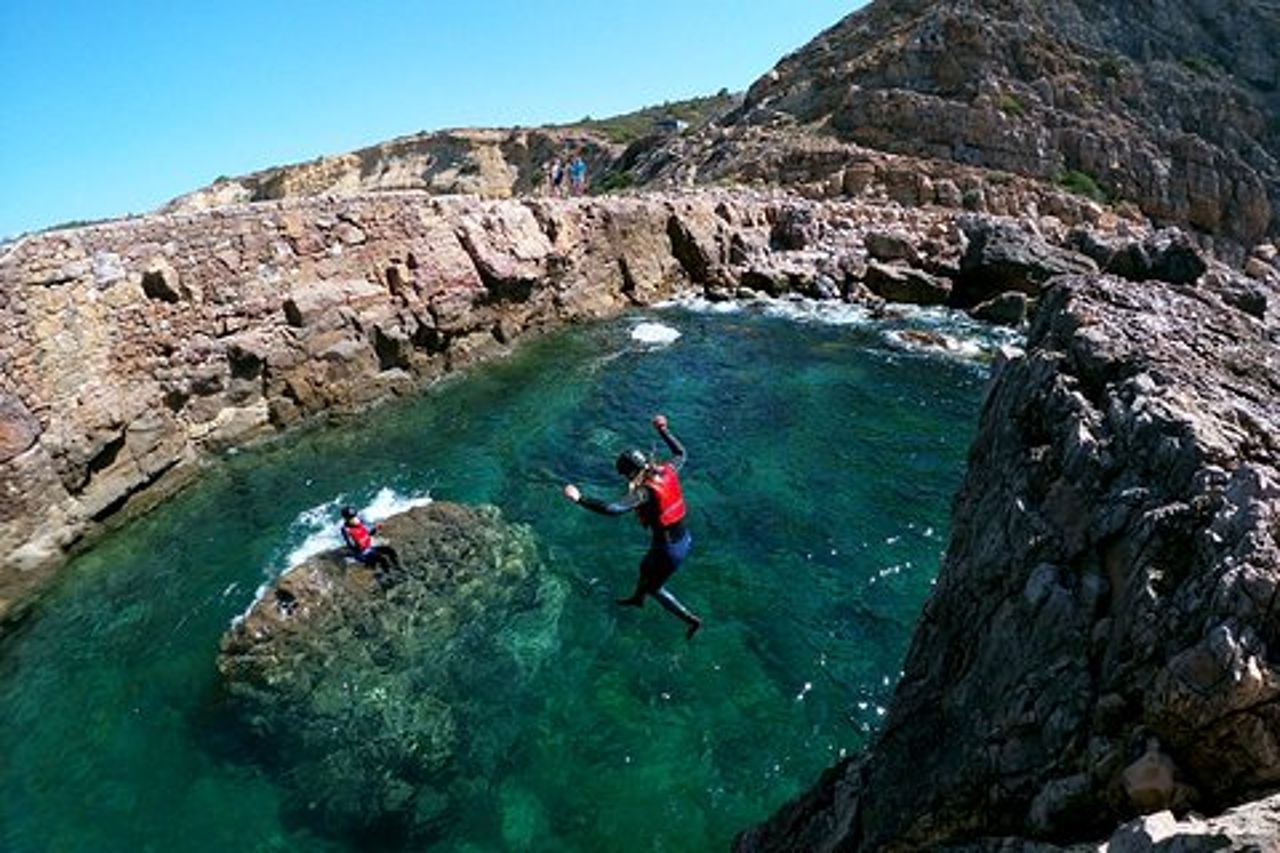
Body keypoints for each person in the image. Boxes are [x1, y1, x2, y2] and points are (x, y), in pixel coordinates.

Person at [562, 414, 702, 639]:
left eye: (625, 475)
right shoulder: (666, 470)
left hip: (669, 551)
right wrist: (663, 430)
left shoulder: (645, 492)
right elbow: (681, 453)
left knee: (654, 588)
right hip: (683, 539)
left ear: (631, 473)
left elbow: (613, 509)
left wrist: (580, 499)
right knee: (645, 568)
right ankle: (637, 599)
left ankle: (691, 620)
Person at [339, 506, 402, 585]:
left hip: (369, 545)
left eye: (354, 516)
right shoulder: (346, 529)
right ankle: (388, 575)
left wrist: (375, 529)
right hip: (362, 552)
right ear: (346, 519)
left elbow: (368, 533)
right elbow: (352, 545)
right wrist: (362, 542)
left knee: (389, 550)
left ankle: (397, 566)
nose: (354, 519)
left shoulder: (360, 522)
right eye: (351, 518)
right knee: (381, 558)